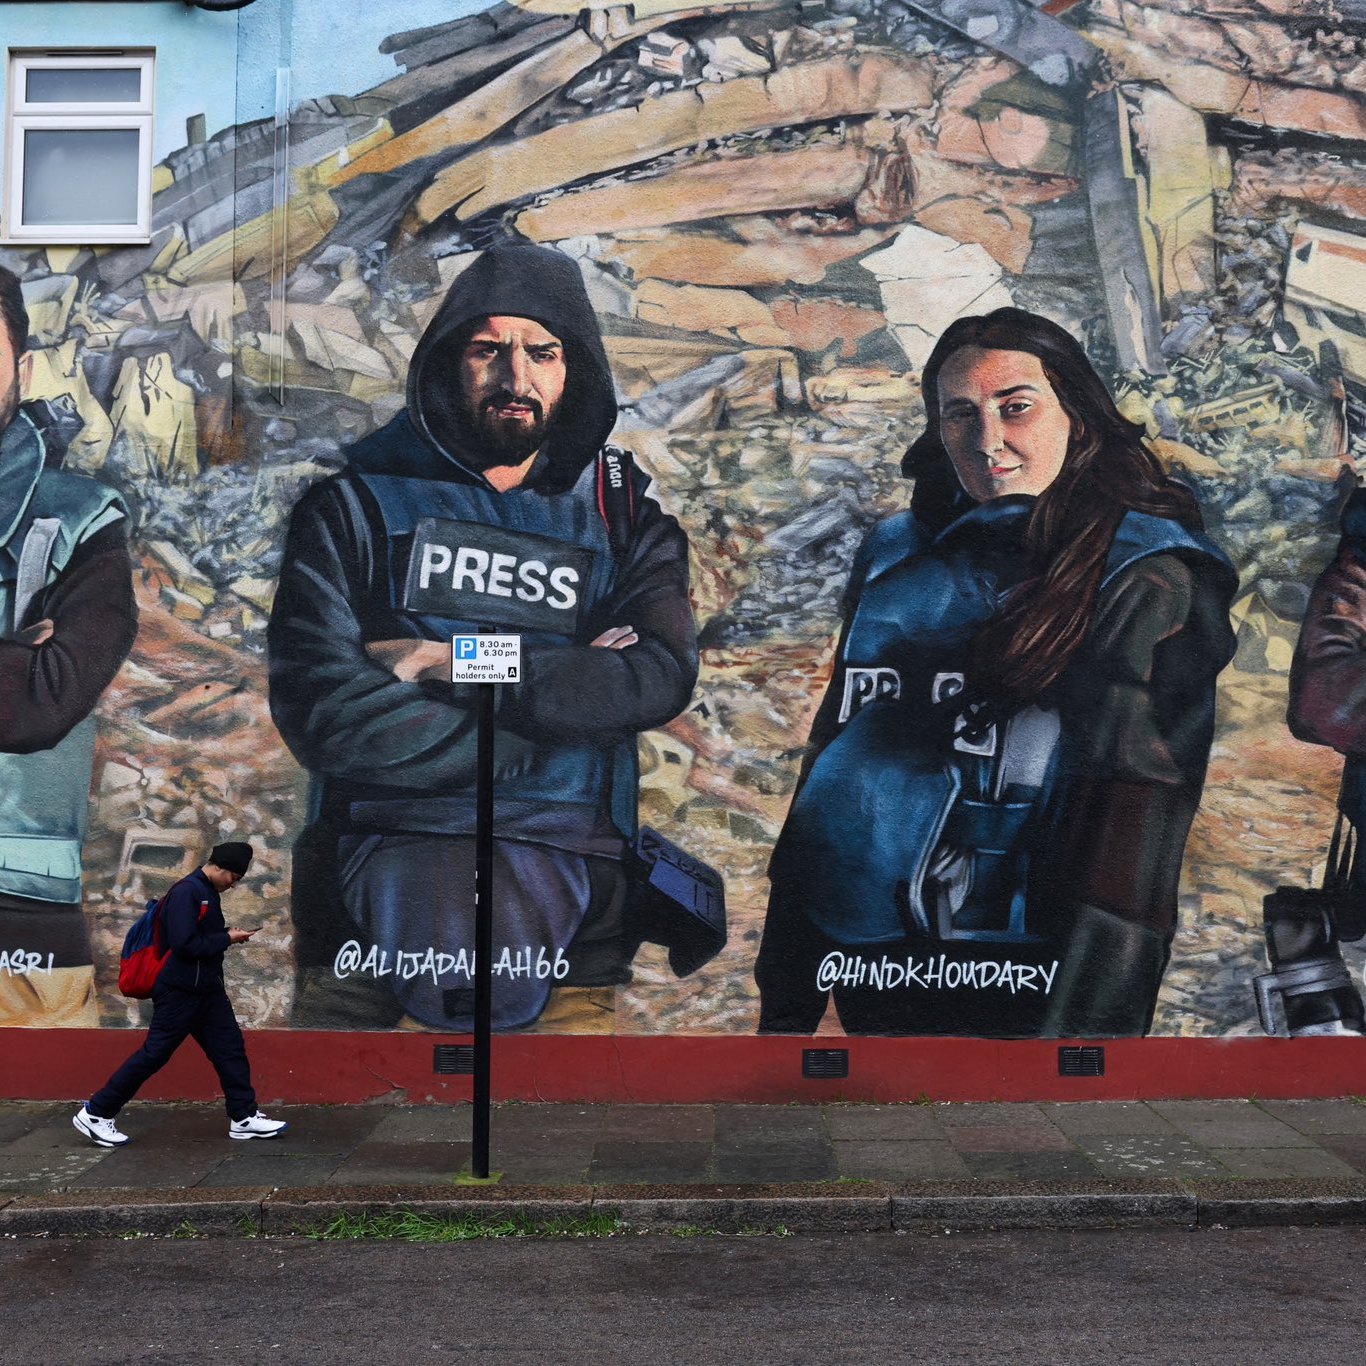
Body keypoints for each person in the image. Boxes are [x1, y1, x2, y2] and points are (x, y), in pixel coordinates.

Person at [756, 307, 1237, 1038]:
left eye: (1016, 407)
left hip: (1031, 971)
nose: (988, 442)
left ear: (1077, 413)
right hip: (874, 959)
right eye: (960, 415)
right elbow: (833, 764)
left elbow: (1132, 839)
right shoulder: (896, 555)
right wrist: (788, 983)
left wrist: (1084, 1039)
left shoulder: (1148, 574)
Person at [268, 242, 698, 1032]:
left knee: (556, 1142)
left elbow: (656, 677)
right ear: (446, 362)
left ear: (577, 371)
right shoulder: (352, 509)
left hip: (579, 918)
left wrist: (453, 660)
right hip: (365, 917)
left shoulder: (624, 517)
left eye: (543, 353)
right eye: (487, 350)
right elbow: (328, 712)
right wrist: (559, 723)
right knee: (340, 1136)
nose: (516, 377)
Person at [0, 264, 137, 1027]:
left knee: (45, 1119)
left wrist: (30, 671)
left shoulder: (81, 518)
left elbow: (42, 703)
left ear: (21, 368)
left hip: (22, 906)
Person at [73, 842, 287, 1147]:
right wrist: (226, 937)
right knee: (155, 1053)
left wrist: (225, 935)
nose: (234, 883)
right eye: (234, 876)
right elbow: (185, 944)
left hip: (206, 991)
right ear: (220, 867)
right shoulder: (188, 892)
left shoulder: (206, 892)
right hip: (180, 991)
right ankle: (96, 1113)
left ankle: (243, 1118)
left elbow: (197, 938)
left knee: (230, 1049)